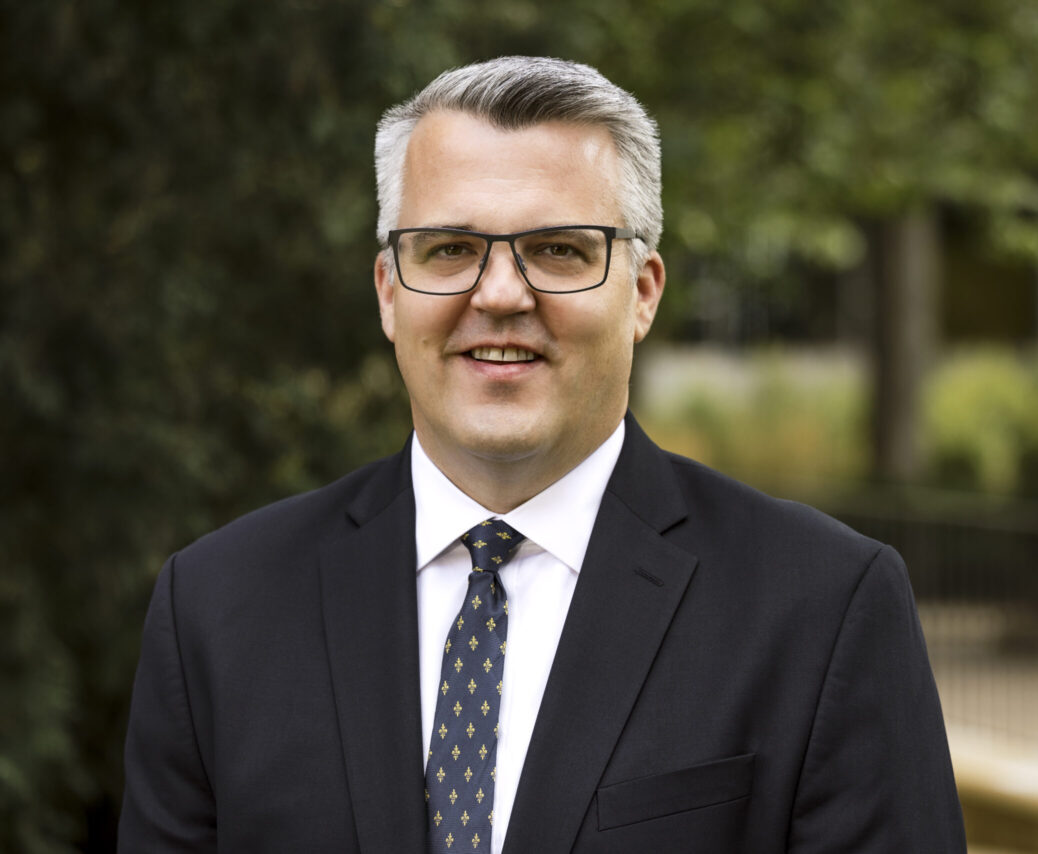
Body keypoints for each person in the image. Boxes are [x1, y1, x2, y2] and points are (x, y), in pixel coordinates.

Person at [119, 56, 965, 853]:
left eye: (559, 250)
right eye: (448, 249)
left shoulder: (823, 609)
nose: (498, 294)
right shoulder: (217, 608)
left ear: (641, 292)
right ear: (388, 292)